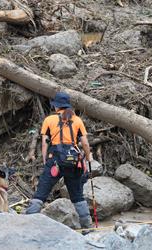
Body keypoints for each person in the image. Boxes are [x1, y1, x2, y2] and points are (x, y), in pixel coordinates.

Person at [25, 92, 93, 231]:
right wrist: (88, 158)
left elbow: (44, 142)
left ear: (56, 107)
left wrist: (45, 160)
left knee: (42, 192)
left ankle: (28, 224)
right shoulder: (77, 120)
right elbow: (85, 143)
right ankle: (87, 227)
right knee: (77, 195)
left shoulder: (49, 120)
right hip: (74, 162)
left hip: (55, 160)